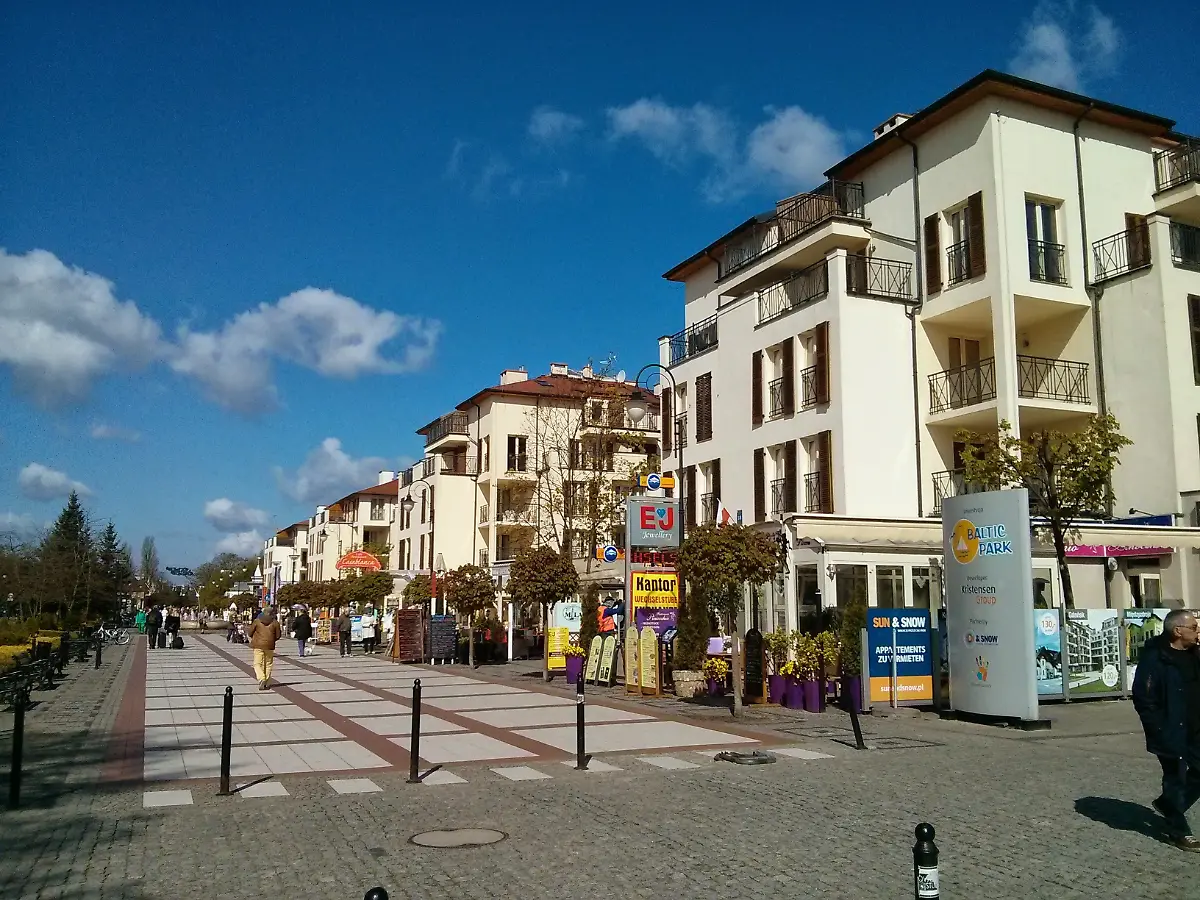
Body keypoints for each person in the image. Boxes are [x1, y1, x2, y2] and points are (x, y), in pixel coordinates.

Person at [1132, 608, 1200, 851]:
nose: (1197, 630)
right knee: (1175, 778)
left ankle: (1169, 805)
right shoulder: (1155, 659)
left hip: (1195, 728)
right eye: (1193, 627)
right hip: (1170, 729)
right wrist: (1158, 728)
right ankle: (1178, 831)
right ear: (1177, 631)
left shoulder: (1195, 653)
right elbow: (1144, 698)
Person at [248, 607, 283, 690]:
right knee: (268, 664)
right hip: (270, 646)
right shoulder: (275, 623)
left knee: (257, 663)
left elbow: (250, 633)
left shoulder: (257, 621)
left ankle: (261, 678)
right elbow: (278, 636)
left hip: (258, 645)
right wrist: (271, 640)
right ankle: (266, 682)